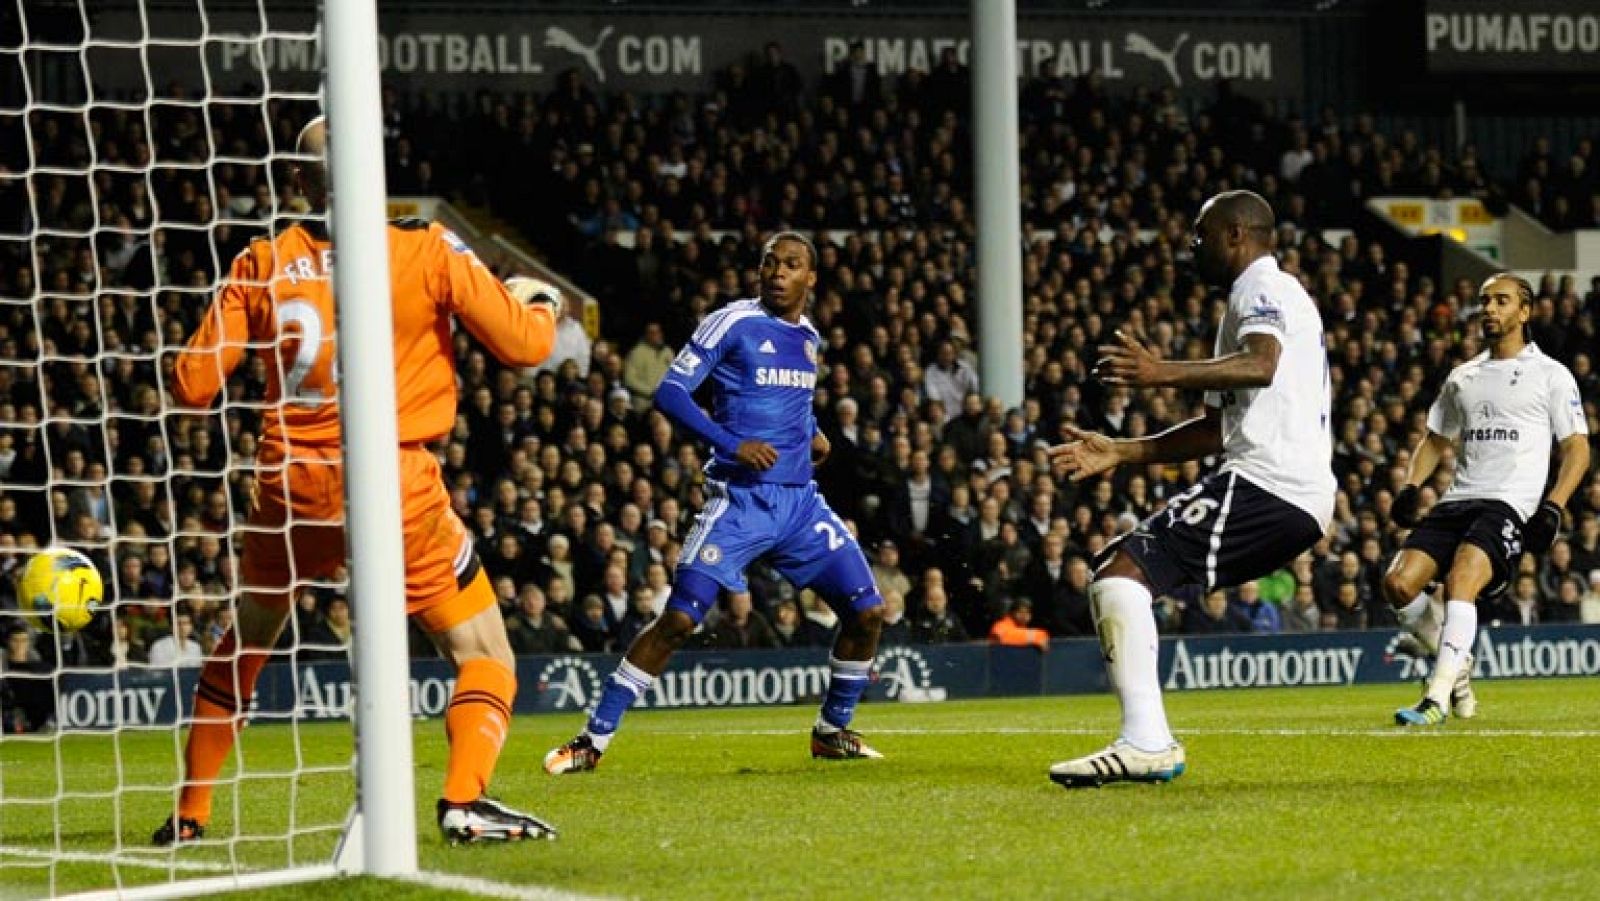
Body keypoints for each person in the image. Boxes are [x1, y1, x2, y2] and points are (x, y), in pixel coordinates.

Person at [154, 118, 560, 846]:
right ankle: (464, 798)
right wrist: (541, 303)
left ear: (301, 184)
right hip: (392, 482)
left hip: (289, 488)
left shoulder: (262, 260)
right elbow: (526, 347)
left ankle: (191, 812)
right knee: (487, 654)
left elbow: (190, 386)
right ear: (376, 171)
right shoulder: (425, 247)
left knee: (246, 643)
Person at [544, 231, 889, 773]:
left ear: (811, 278)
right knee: (679, 620)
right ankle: (591, 741)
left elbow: (785, 397)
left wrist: (814, 431)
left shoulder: (810, 337)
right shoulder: (732, 321)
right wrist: (732, 445)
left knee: (868, 612)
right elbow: (670, 393)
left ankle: (831, 731)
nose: (777, 272)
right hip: (740, 502)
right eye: (769, 263)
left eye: (791, 265)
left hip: (800, 504)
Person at [1045, 190, 1333, 787]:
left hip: (1271, 482)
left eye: (1200, 234)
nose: (1190, 246)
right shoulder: (1242, 306)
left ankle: (1146, 741)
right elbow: (1213, 429)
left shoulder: (1263, 286)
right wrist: (1122, 451)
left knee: (1123, 576)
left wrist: (1156, 373)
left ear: (1237, 235)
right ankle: (1145, 739)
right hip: (1277, 487)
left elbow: (1261, 365)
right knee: (1121, 574)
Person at [1383, 273, 1589, 726]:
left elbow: (1576, 448)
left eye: (1501, 301)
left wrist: (1553, 506)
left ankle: (1435, 697)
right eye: (1485, 301)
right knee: (1397, 584)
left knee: (1462, 581)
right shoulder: (1464, 377)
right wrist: (1411, 487)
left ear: (1525, 311)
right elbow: (1435, 440)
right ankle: (1456, 668)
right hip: (1458, 499)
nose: (1490, 310)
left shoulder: (1551, 375)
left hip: (1508, 503)